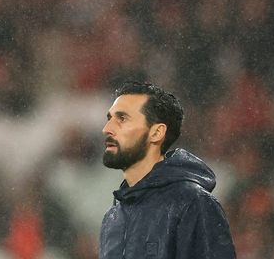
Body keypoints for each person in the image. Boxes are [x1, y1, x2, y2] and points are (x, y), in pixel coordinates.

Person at [99, 81, 236, 259]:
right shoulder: (112, 218)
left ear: (156, 133)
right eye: (109, 119)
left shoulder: (193, 203)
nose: (106, 129)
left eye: (122, 119)